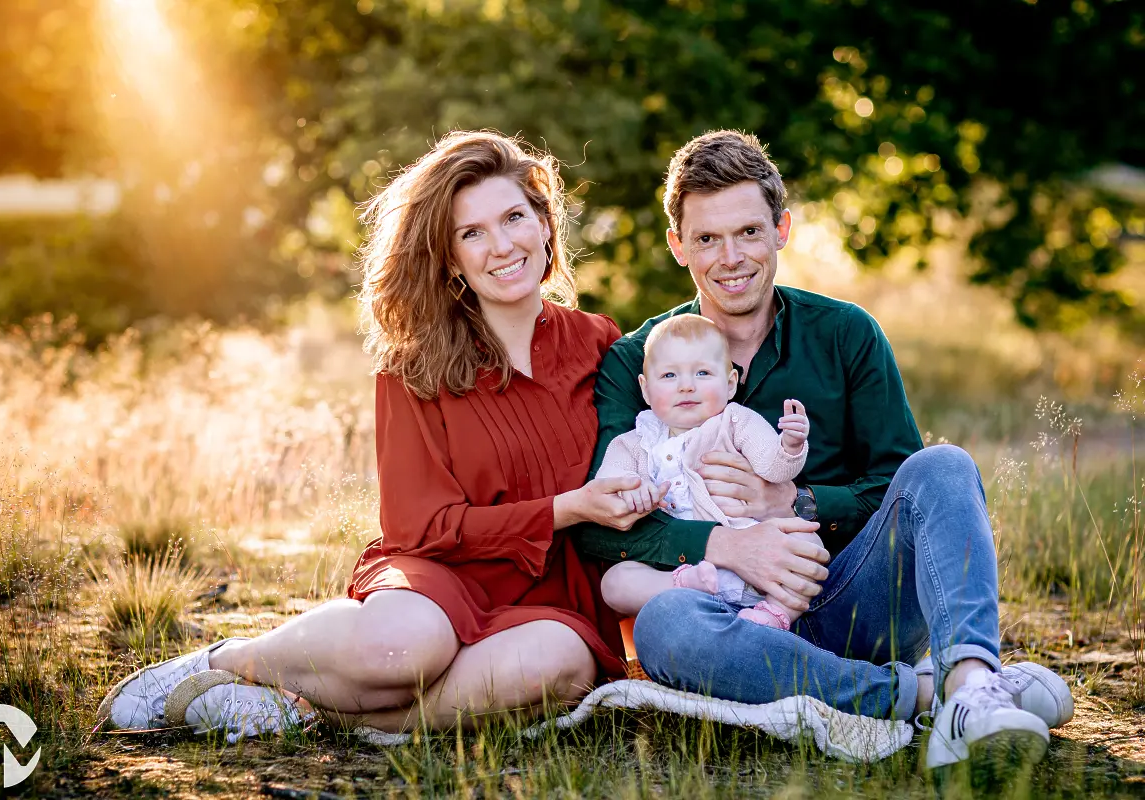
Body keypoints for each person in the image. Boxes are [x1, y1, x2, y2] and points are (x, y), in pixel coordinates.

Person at [97, 131, 658, 740]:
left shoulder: (601, 344)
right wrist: (563, 509)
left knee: (563, 664)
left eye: (514, 218)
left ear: (545, 224)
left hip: (558, 592)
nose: (502, 246)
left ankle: (307, 713)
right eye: (471, 233)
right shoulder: (414, 364)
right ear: (449, 258)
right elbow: (418, 527)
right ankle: (224, 661)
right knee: (405, 651)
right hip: (441, 577)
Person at [576, 130, 1073, 779]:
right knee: (666, 624)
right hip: (728, 623)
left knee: (943, 466)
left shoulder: (846, 334)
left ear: (782, 228)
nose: (730, 257)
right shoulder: (639, 362)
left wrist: (796, 501)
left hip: (851, 599)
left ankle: (973, 683)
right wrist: (726, 546)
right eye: (706, 238)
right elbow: (601, 529)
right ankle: (926, 696)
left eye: (749, 231)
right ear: (677, 245)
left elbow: (903, 487)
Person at [594, 313, 819, 631]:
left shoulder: (734, 422)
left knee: (808, 546)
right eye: (669, 376)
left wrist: (791, 444)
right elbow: (606, 486)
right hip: (678, 566)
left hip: (755, 555)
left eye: (702, 372)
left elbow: (774, 467)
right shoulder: (635, 442)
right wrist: (635, 490)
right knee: (615, 583)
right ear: (645, 390)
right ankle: (686, 587)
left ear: (729, 384)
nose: (686, 386)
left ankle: (773, 614)